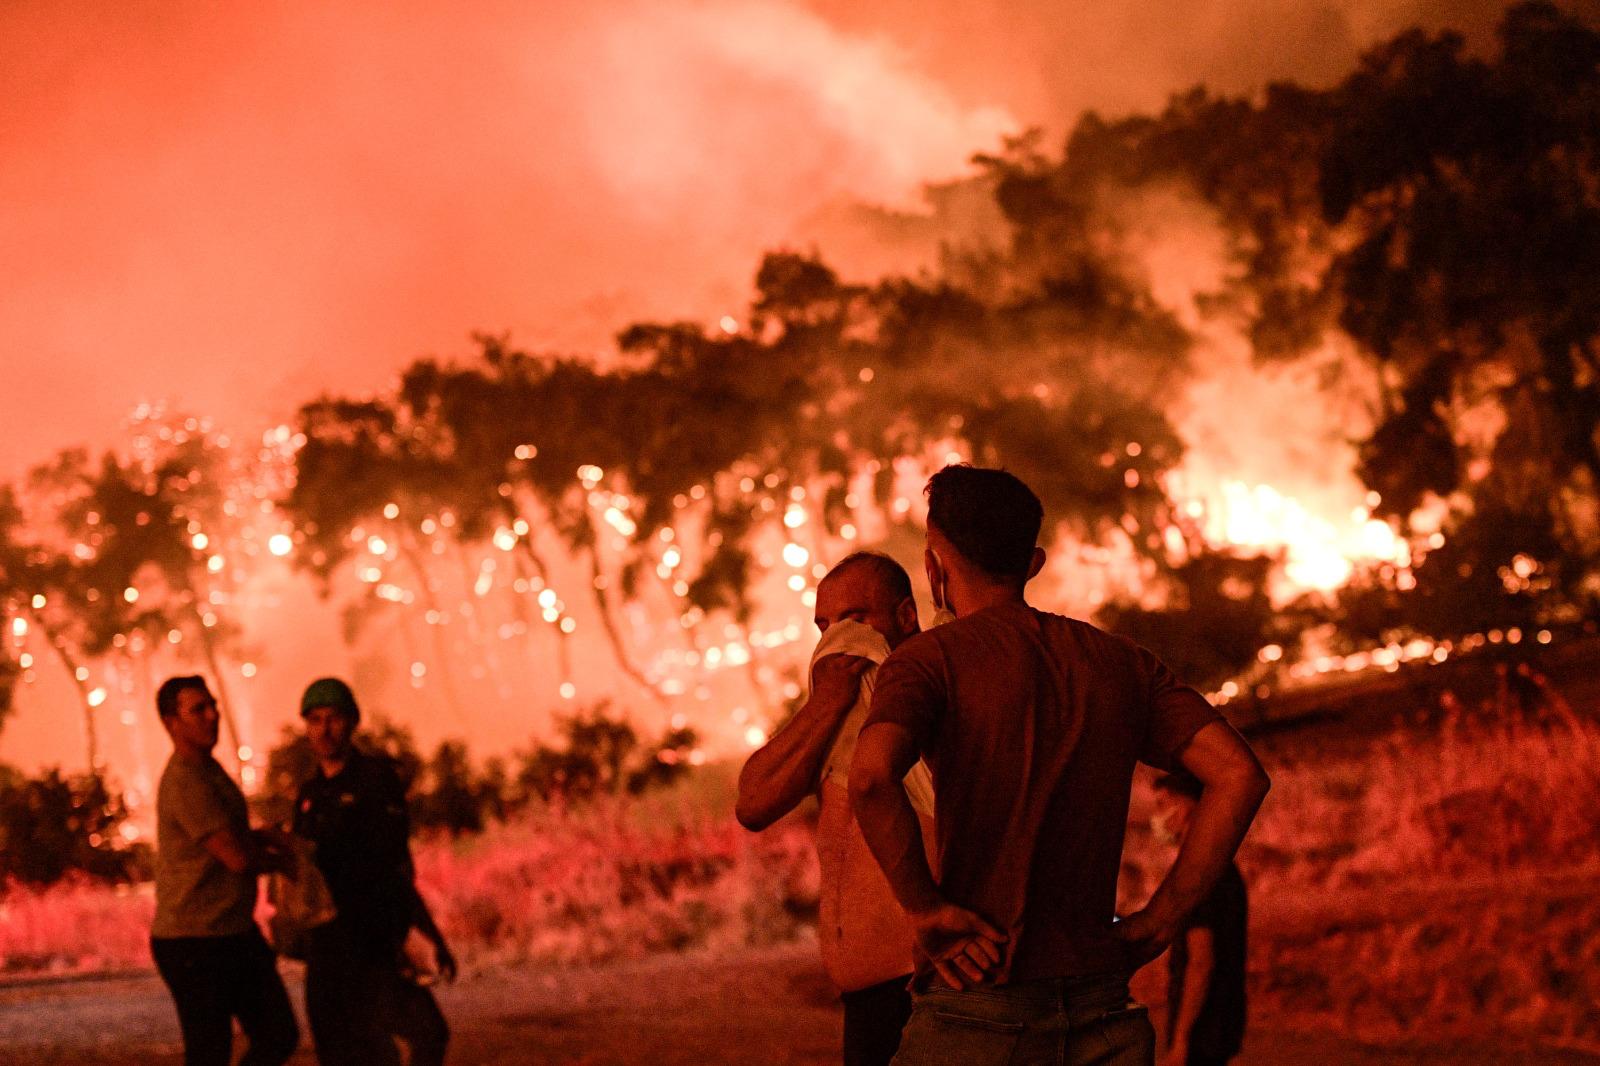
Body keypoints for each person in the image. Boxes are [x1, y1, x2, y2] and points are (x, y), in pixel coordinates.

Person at [850, 465, 1271, 1066]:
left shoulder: (926, 662)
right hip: (1105, 1014)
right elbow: (1240, 775)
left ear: (934, 569)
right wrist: (1159, 922)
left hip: (977, 1007)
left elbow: (870, 777)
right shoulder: (1120, 662)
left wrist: (924, 908)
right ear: (1033, 564)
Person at [737, 552, 935, 1066]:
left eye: (855, 620)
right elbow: (753, 803)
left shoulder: (932, 695)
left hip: (922, 987)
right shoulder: (835, 714)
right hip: (866, 1001)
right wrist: (825, 703)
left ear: (905, 616)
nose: (837, 640)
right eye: (824, 626)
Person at [292, 677, 455, 1066]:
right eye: (315, 720)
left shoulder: (376, 782)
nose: (324, 730)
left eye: (333, 719)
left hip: (373, 944)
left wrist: (424, 932)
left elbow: (395, 867)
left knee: (427, 1034)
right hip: (328, 950)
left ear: (352, 722)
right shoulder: (309, 797)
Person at [150, 675, 299, 1066]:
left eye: (212, 705)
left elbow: (227, 836)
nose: (212, 715)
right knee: (212, 1051)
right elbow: (236, 858)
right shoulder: (186, 781)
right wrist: (284, 862)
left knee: (277, 1033)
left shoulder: (207, 769)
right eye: (197, 710)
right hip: (195, 940)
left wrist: (265, 837)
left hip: (229, 931)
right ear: (171, 723)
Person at [1152, 773, 1248, 1066]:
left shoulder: (1198, 876)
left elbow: (1201, 961)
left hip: (1201, 1033)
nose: (1156, 816)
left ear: (1186, 808)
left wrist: (1182, 1040)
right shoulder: (1223, 868)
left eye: (1162, 805)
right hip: (1221, 1025)